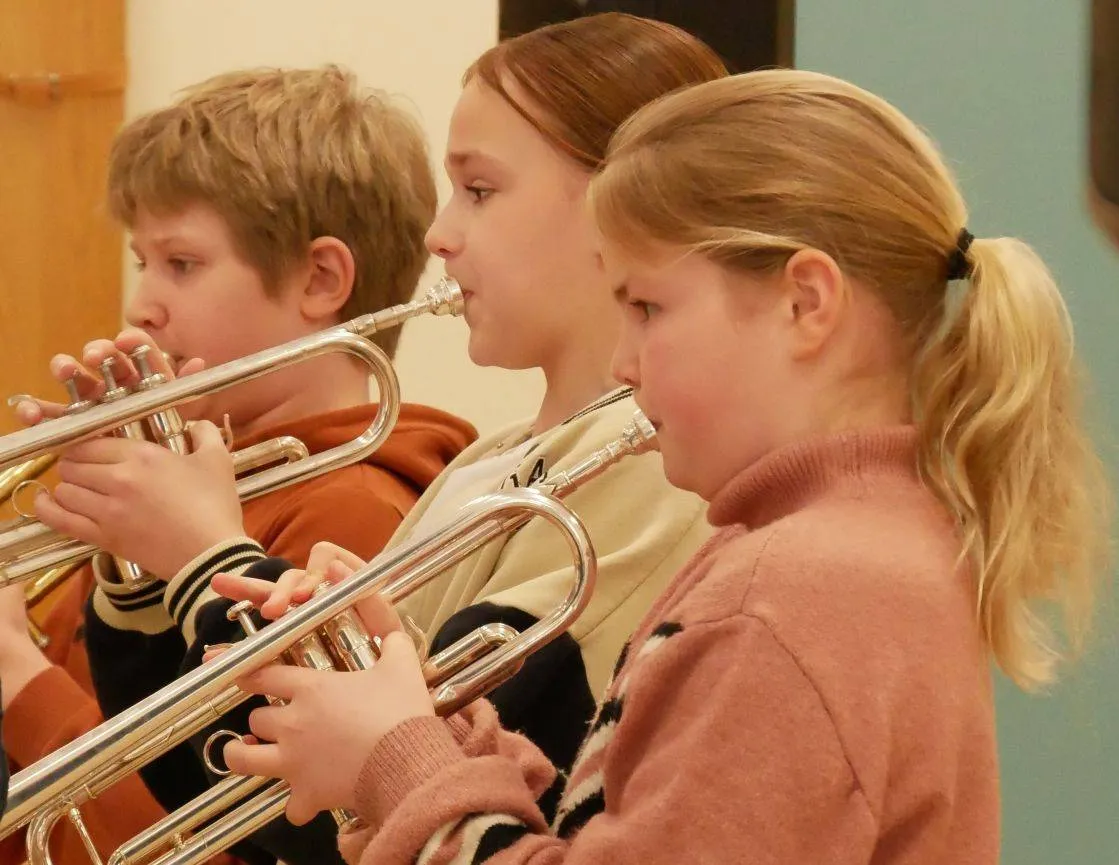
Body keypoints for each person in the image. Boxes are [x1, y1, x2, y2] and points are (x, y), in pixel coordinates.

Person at [221, 68, 1113, 864]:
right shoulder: (844, 547)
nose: (622, 361)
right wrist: (430, 718)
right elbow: (626, 830)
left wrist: (394, 759)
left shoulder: (785, 591)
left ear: (804, 302)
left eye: (648, 306)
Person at [37, 15, 725, 854]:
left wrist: (208, 562)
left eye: (478, 189)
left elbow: (398, 790)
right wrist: (146, 578)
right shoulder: (486, 463)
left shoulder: (648, 463)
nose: (441, 234)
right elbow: (230, 791)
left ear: (623, 201)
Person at [1, 65, 475, 865]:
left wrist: (16, 678)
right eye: (141, 260)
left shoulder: (351, 511)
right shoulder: (193, 481)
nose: (141, 305)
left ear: (320, 280)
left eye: (181, 264)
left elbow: (214, 837)